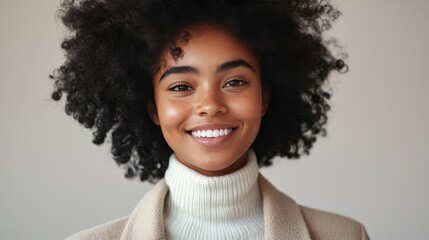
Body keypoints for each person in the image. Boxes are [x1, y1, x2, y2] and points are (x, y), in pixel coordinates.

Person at [51, 0, 369, 239]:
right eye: (181, 86)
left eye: (234, 82)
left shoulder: (344, 235)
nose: (209, 105)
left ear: (265, 97)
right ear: (153, 108)